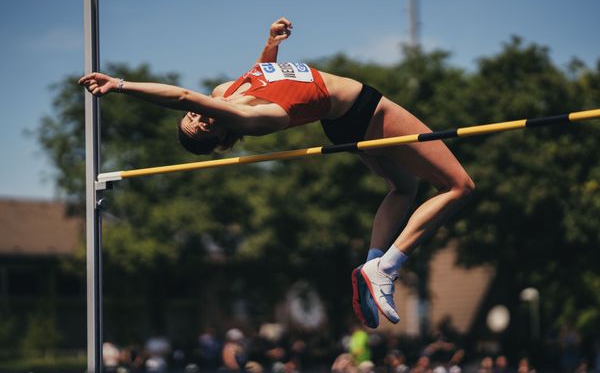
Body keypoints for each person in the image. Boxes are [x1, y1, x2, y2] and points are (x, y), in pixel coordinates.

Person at [79, 17, 475, 329]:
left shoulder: (226, 92)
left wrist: (271, 44)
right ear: (218, 133)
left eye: (191, 118)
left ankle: (373, 264)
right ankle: (388, 268)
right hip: (364, 109)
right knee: (458, 186)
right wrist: (118, 85)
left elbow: (263, 75)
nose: (195, 115)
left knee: (404, 189)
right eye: (198, 124)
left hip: (343, 119)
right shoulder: (247, 118)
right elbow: (182, 95)